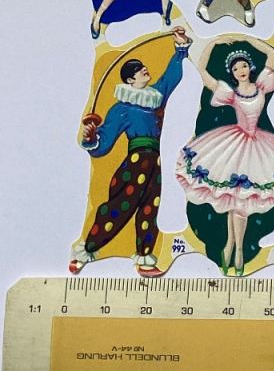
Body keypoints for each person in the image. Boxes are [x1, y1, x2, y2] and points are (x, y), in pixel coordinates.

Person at [70, 27, 192, 277]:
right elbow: (104, 143)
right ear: (129, 80)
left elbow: (170, 78)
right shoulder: (122, 108)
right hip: (136, 162)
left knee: (150, 206)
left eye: (143, 67)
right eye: (139, 70)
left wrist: (180, 49)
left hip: (154, 161)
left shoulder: (155, 97)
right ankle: (87, 249)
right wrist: (91, 137)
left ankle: (145, 257)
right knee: (121, 207)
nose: (144, 70)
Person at [176, 37, 274, 276]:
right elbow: (202, 71)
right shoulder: (230, 94)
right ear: (232, 74)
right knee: (237, 200)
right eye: (236, 68)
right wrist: (214, 42)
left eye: (243, 66)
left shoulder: (262, 85)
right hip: (235, 144)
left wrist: (248, 39)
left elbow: (272, 55)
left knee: (238, 201)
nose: (241, 70)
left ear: (250, 67)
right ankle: (236, 249)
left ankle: (234, 246)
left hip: (260, 146)